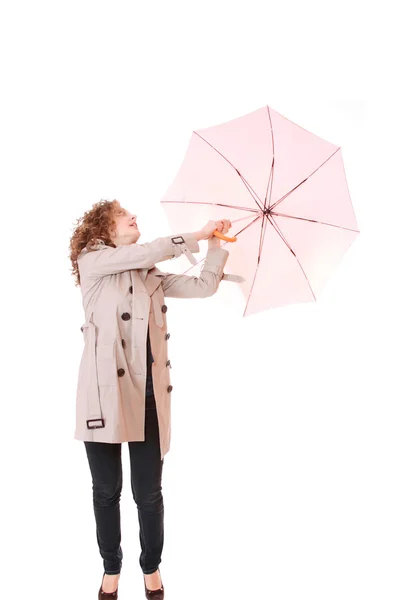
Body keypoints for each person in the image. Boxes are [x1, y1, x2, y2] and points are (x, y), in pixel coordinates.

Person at [69, 199, 231, 599]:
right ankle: (111, 568)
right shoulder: (93, 261)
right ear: (102, 229)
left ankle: (151, 568)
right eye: (124, 215)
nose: (133, 217)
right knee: (106, 491)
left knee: (149, 493)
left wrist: (216, 246)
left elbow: (203, 286)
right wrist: (195, 234)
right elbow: (146, 250)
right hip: (103, 398)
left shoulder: (148, 274)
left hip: (149, 399)